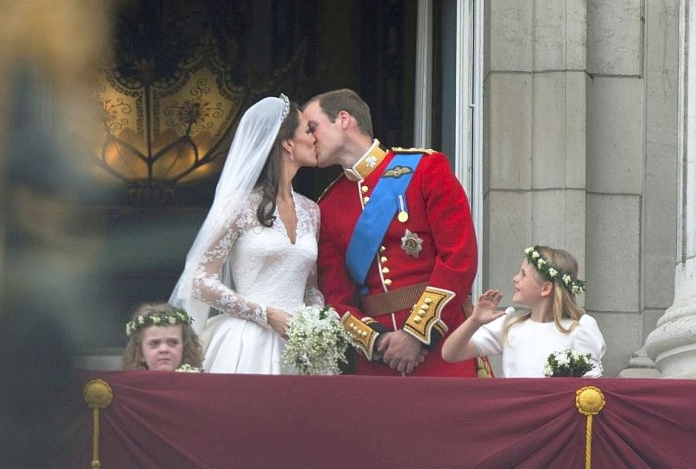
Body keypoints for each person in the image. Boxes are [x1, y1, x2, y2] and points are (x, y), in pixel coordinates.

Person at [302, 88, 479, 376]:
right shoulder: (329, 205)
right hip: (379, 360)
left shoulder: (425, 169)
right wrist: (379, 340)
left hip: (443, 345)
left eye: (313, 127)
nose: (309, 139)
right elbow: (336, 296)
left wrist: (416, 333)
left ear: (344, 119)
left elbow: (459, 257)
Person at [169, 94, 324, 373]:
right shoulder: (238, 206)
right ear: (288, 143)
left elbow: (310, 286)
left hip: (300, 346)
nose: (315, 138)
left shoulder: (311, 211)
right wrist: (264, 314)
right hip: (247, 343)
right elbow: (199, 279)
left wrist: (314, 319)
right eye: (308, 131)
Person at [442, 245, 606, 377]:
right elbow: (450, 354)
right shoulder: (510, 326)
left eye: (523, 274)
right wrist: (474, 322)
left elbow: (589, 390)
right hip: (515, 416)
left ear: (545, 289)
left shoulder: (579, 329)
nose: (515, 278)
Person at [123, 302, 204, 371]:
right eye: (154, 343)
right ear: (140, 353)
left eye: (173, 342)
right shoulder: (126, 388)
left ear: (185, 348)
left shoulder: (198, 386)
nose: (164, 349)